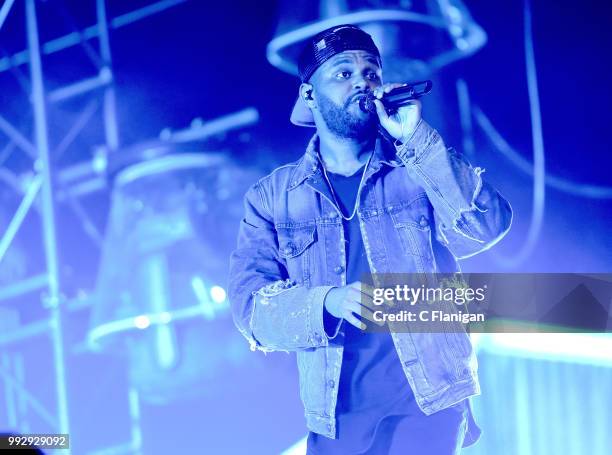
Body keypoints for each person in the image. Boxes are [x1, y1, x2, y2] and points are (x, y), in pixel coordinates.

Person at [228, 24, 512, 454]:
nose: (362, 80)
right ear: (309, 95)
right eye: (343, 73)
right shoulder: (272, 197)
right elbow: (250, 308)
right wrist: (326, 302)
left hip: (428, 403)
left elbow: (486, 225)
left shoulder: (415, 167)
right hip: (337, 419)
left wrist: (416, 138)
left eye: (371, 71)